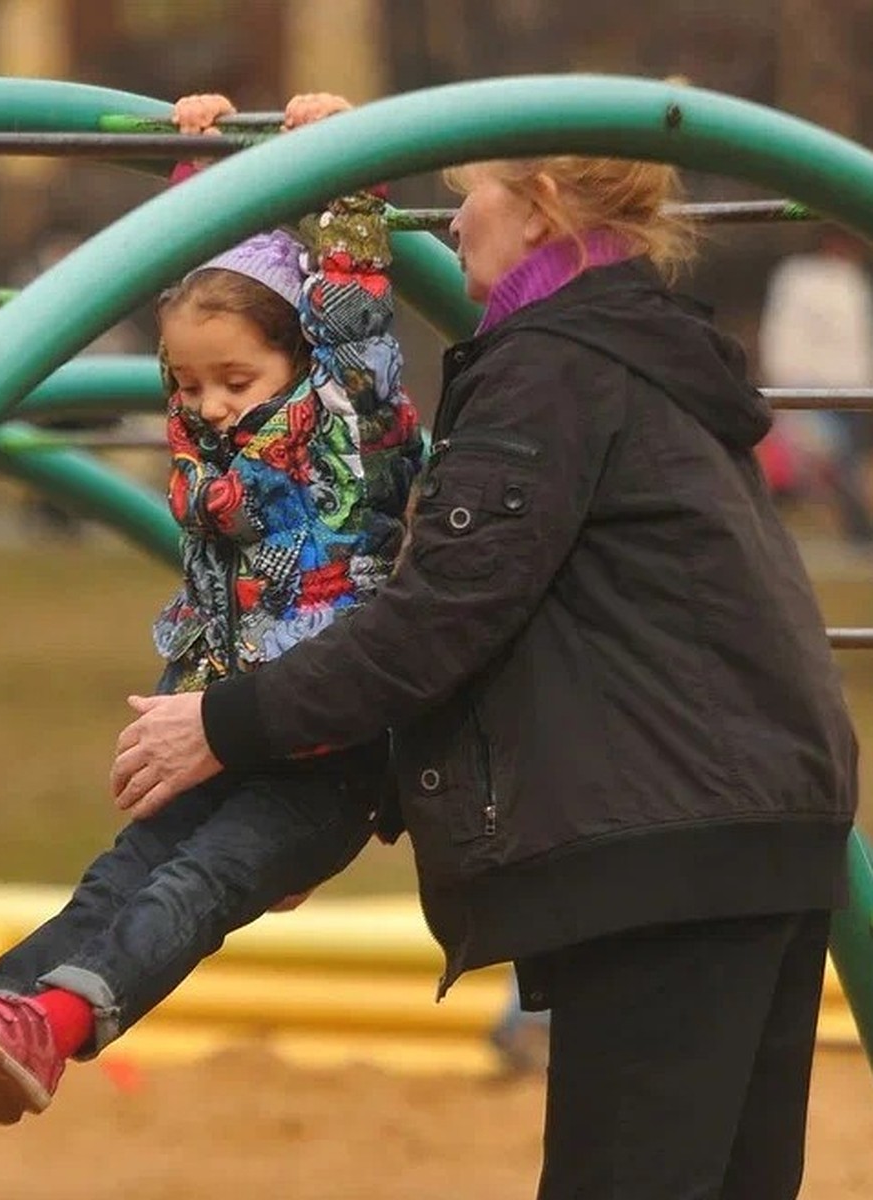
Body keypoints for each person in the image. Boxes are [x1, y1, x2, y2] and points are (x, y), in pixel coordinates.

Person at [111, 148, 859, 1199]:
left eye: (472, 199)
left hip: (669, 847)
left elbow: (440, 620)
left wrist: (223, 726)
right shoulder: (648, 356)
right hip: (765, 821)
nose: (455, 227)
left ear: (541, 207)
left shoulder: (553, 367)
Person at [0, 92, 422, 1126]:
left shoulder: (346, 423)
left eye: (236, 380)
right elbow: (204, 281)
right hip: (226, 730)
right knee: (112, 881)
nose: (211, 403)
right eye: (190, 385)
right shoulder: (206, 440)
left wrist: (345, 169)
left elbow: (353, 318)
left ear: (296, 363)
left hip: (327, 754)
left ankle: (59, 1027)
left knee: (185, 892)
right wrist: (199, 173)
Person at [758, 227, 873, 544]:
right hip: (808, 384)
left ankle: (855, 529)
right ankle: (857, 529)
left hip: (851, 388)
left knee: (840, 461)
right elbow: (783, 329)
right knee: (819, 458)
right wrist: (783, 376)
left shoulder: (854, 280)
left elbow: (859, 339)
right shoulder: (799, 276)